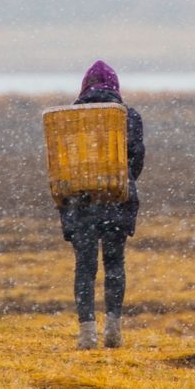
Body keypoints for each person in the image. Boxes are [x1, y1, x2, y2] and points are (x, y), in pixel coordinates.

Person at [58, 60, 145, 349]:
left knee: (84, 267)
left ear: (84, 86)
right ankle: (114, 328)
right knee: (114, 264)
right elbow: (136, 162)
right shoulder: (128, 117)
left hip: (80, 204)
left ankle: (86, 333)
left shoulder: (69, 119)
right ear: (115, 87)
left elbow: (60, 165)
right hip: (115, 202)